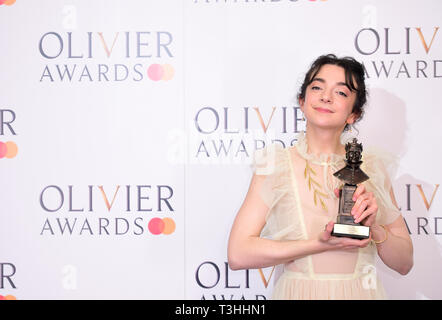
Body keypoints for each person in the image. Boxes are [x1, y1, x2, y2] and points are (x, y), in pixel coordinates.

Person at [227, 54, 413, 300]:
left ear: (354, 114)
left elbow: (404, 263)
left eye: (341, 93)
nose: (326, 96)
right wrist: (319, 244)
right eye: (317, 87)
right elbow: (238, 254)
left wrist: (374, 229)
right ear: (302, 101)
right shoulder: (275, 165)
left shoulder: (372, 169)